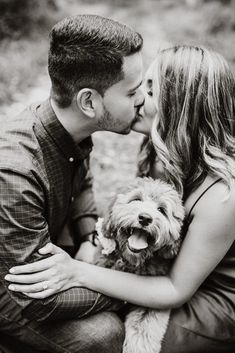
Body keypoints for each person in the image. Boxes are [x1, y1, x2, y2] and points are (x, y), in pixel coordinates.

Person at [6, 45, 235, 352]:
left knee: (118, 339)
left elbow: (175, 288)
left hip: (206, 296)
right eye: (142, 87)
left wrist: (80, 272)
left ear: (181, 109)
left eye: (152, 92)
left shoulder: (223, 194)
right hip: (162, 270)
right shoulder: (159, 150)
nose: (139, 97)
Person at [0, 14, 145, 353]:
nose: (141, 100)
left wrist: (88, 236)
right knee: (104, 334)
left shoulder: (70, 127)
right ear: (89, 102)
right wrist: (132, 290)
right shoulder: (14, 172)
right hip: (11, 295)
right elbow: (35, 301)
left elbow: (83, 180)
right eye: (133, 92)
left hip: (44, 245)